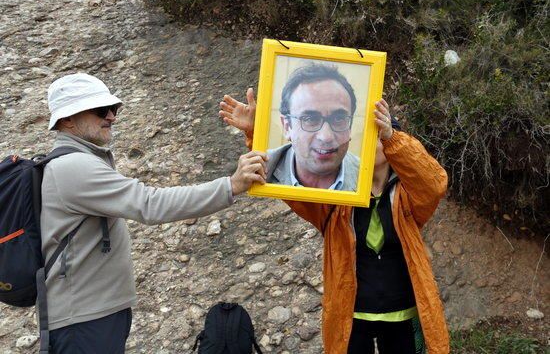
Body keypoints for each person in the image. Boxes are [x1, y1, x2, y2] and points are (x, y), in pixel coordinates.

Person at [41, 73, 267, 353]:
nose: (112, 116)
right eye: (101, 110)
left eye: (114, 109)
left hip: (91, 316)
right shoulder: (73, 167)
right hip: (84, 321)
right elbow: (150, 203)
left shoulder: (77, 163)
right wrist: (231, 186)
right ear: (67, 119)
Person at [219, 91, 450, 353]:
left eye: (378, 136)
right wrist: (255, 133)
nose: (369, 142)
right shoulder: (334, 199)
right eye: (365, 136)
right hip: (352, 320)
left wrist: (391, 136)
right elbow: (285, 181)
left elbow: (434, 183)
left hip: (404, 316)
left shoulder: (407, 199)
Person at [221, 64, 359, 191]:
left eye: (339, 119)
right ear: (287, 127)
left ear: (350, 126)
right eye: (310, 119)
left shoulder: (368, 178)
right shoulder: (262, 172)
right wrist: (254, 132)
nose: (326, 136)